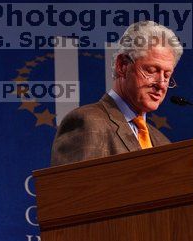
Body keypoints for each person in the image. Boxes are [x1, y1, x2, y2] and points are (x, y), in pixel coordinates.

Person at [50, 21, 183, 166]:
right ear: (122, 66)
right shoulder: (88, 123)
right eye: (151, 71)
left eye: (167, 75)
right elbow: (73, 188)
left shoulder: (162, 142)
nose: (161, 84)